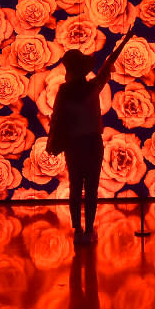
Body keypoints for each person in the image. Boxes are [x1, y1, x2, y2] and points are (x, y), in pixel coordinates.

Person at [47, 25, 135, 244]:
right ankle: (88, 230)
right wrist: (124, 41)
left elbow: (57, 118)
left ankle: (78, 230)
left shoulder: (65, 92)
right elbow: (107, 64)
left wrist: (53, 142)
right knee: (92, 188)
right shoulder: (93, 87)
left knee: (76, 187)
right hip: (92, 143)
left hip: (74, 144)